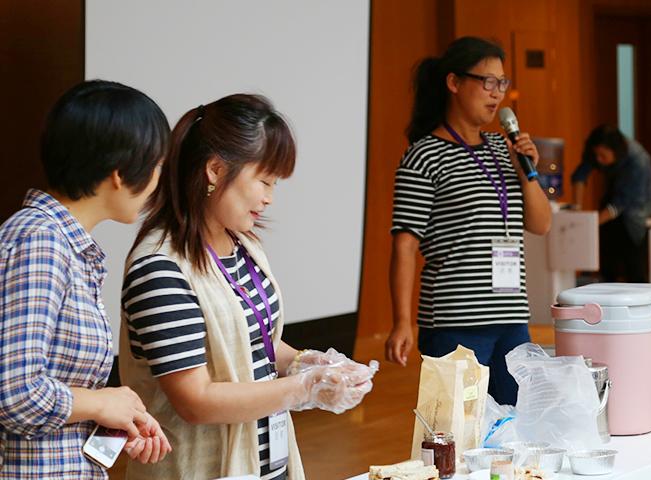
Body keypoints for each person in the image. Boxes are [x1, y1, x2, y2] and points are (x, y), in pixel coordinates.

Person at [120, 94, 376, 480]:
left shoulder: (243, 244)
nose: (269, 198)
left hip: (264, 463)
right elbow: (196, 400)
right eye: (265, 180)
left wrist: (309, 362)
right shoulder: (161, 266)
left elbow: (255, 341)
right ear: (216, 169)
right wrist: (304, 388)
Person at [0, 80, 172, 478]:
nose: (158, 179)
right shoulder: (40, 240)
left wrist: (114, 417)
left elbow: (53, 385)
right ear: (119, 172)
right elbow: (15, 392)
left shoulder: (63, 242)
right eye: (157, 164)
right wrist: (99, 404)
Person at [385, 36, 552, 405]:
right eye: (487, 82)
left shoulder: (502, 148)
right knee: (458, 429)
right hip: (454, 321)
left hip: (510, 316)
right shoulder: (424, 156)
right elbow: (405, 244)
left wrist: (527, 170)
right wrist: (401, 321)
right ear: (454, 83)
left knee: (516, 423)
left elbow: (541, 224)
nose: (496, 94)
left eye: (502, 83)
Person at [571, 125, 651, 283]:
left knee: (634, 265)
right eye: (596, 154)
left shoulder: (638, 160)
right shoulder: (597, 151)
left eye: (602, 155)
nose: (598, 160)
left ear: (615, 151)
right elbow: (580, 175)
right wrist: (577, 209)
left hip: (636, 210)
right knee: (606, 261)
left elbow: (622, 202)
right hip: (613, 202)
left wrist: (589, 224)